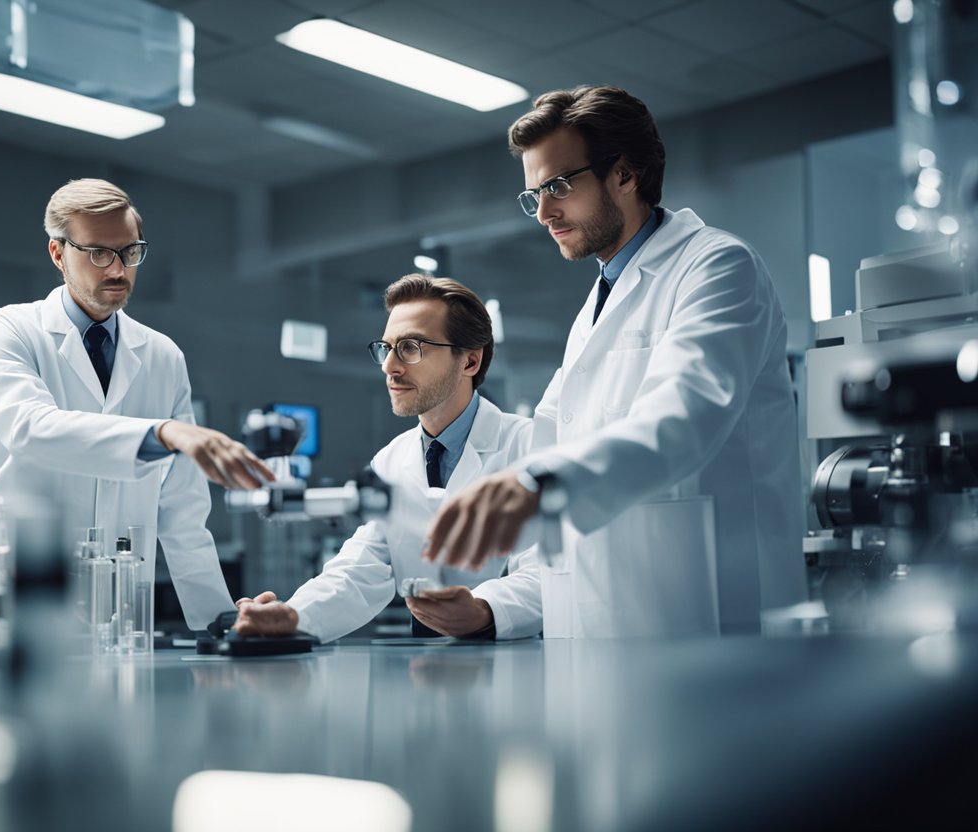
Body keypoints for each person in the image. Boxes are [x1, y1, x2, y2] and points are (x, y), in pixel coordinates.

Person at [422, 85, 807, 637]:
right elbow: (556, 472)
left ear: (624, 174)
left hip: (708, 621)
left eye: (556, 186)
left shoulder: (717, 266)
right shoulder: (598, 306)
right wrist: (492, 607)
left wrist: (534, 483)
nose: (544, 213)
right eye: (534, 195)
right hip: (602, 633)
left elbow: (681, 421)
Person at [0, 178, 272, 648]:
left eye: (130, 252)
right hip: (19, 594)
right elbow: (30, 428)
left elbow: (182, 507)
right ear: (58, 254)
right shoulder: (11, 330)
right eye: (99, 253)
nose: (119, 268)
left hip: (122, 603)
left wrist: (219, 618)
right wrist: (162, 433)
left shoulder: (163, 355)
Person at [234, 275, 542, 643]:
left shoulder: (530, 445)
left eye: (411, 347)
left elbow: (550, 572)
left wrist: (483, 610)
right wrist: (293, 617)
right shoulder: (391, 460)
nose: (389, 367)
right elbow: (360, 570)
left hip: (516, 668)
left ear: (470, 361)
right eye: (386, 347)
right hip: (424, 673)